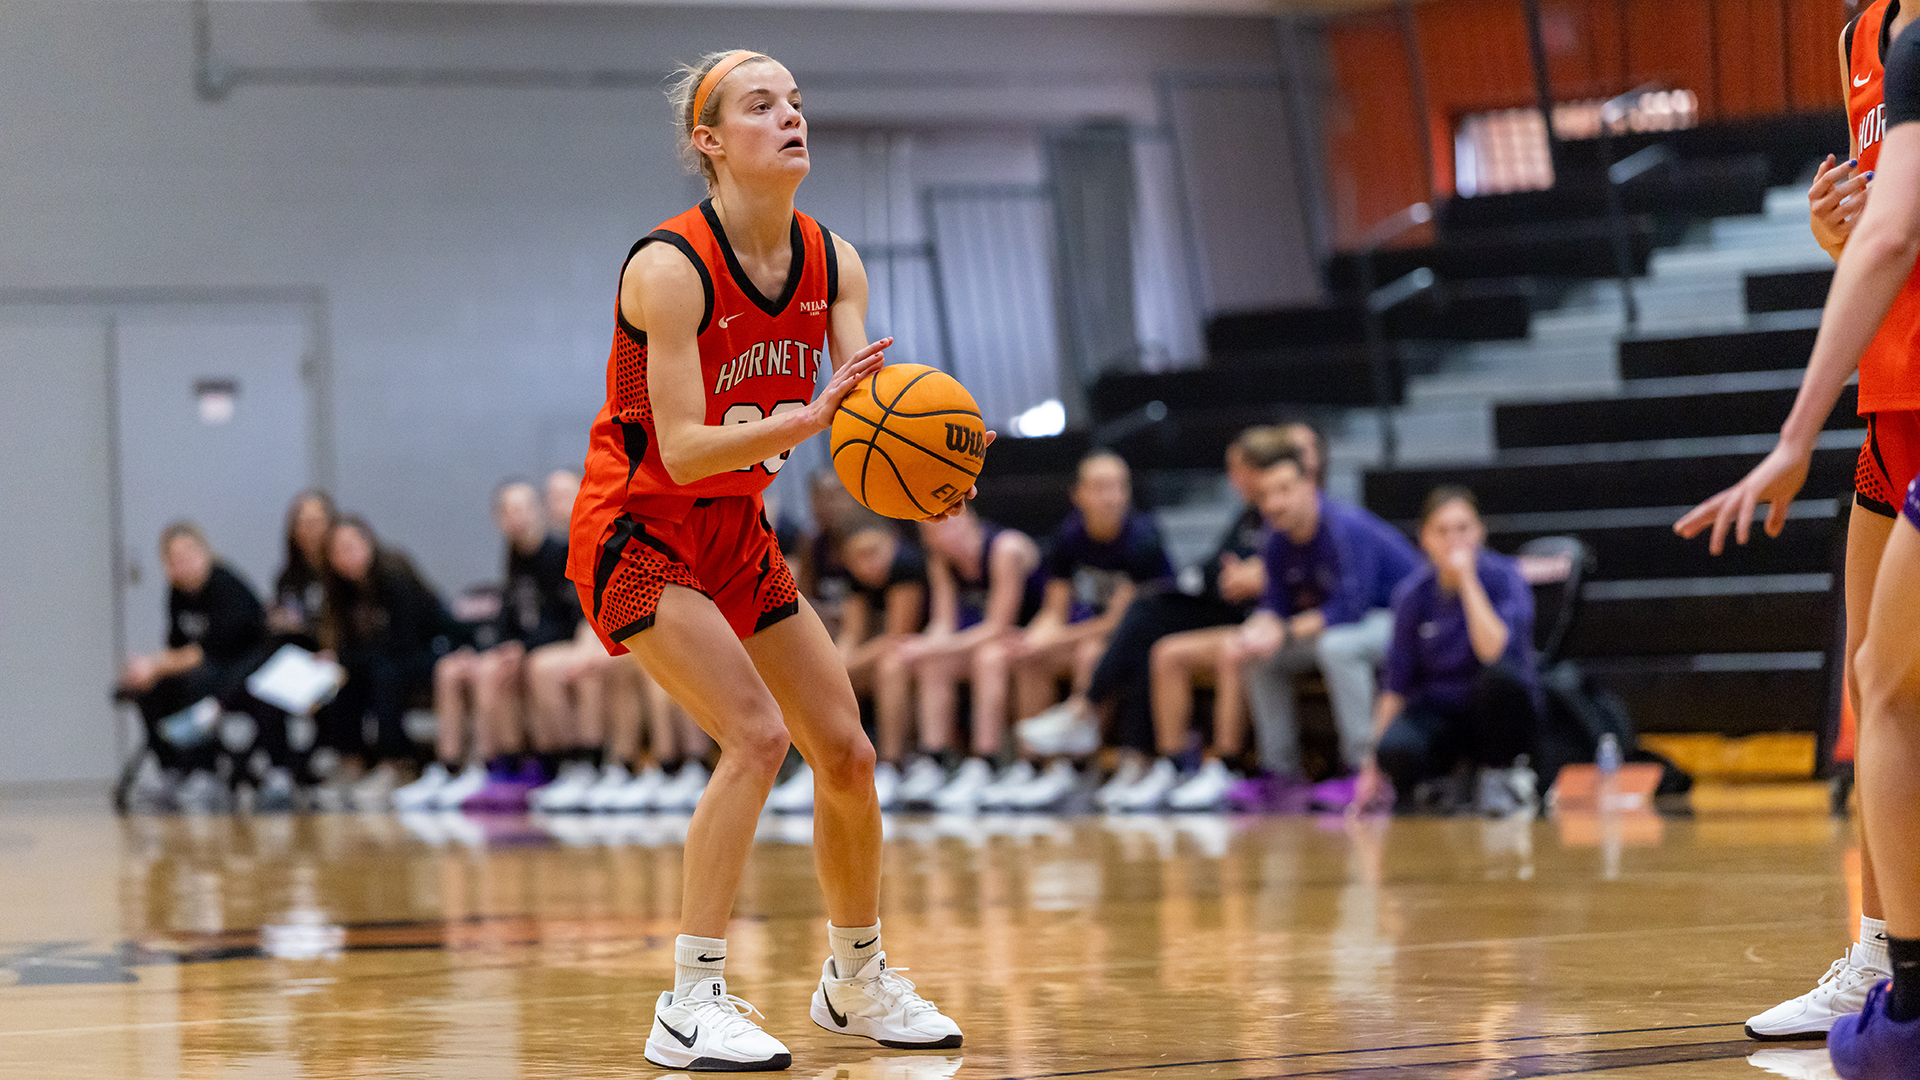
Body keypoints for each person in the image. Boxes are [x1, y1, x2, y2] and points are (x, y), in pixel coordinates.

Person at [565, 49, 964, 1069]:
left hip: (738, 530)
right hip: (639, 529)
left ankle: (857, 981)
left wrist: (934, 466)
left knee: (847, 751)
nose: (789, 117)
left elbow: (867, 418)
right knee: (753, 737)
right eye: (760, 106)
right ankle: (689, 998)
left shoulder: (836, 263)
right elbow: (688, 446)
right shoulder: (667, 268)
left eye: (794, 102)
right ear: (710, 140)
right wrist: (812, 414)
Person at [1674, 21, 1920, 1071]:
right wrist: (1840, 231)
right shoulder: (1866, 32)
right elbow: (1888, 218)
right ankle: (1882, 954)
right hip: (1894, 373)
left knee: (1891, 684)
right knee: (1876, 688)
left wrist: (1788, 436)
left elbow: (1900, 226)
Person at [1093, 424, 1308, 812]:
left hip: (1275, 622)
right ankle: (1170, 765)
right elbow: (1218, 568)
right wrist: (1236, 576)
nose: (1233, 478)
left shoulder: (1291, 512)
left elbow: (1297, 574)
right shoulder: (1248, 516)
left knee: (1218, 644)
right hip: (1247, 614)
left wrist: (1258, 576)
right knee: (1162, 648)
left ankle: (1223, 766)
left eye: (1237, 468)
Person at [1222, 445, 1420, 812]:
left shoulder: (1346, 528)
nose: (1274, 503)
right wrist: (1256, 632)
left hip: (1405, 621)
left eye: (1283, 490)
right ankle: (1280, 775)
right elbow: (1274, 605)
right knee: (1260, 656)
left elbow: (1350, 607)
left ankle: (1365, 772)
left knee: (1337, 646)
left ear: (1309, 486)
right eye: (1265, 494)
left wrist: (1282, 631)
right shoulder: (1276, 538)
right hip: (1342, 625)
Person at [998, 451, 1175, 810]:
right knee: (1031, 657)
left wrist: (1055, 637)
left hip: (1137, 637)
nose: (1111, 496)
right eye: (1099, 487)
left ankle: (1080, 766)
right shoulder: (1068, 537)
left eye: (1118, 487)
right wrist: (1035, 637)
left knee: (1090, 653)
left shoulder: (1144, 538)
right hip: (1089, 632)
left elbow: (1118, 623)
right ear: (1077, 494)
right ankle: (1036, 766)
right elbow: (1054, 609)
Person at [1350, 488, 1539, 816]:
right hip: (1443, 712)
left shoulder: (1505, 578)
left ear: (1480, 532)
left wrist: (1467, 580)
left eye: (1463, 529)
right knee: (1394, 749)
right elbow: (1395, 685)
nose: (1454, 540)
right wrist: (1371, 764)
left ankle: (1500, 776)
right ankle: (1445, 782)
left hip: (1498, 710)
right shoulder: (1412, 596)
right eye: (1442, 530)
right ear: (1424, 538)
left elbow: (1492, 651)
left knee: (1499, 681)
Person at [397, 482, 579, 812]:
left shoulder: (558, 552)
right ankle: (458, 766)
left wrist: (521, 648)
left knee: (505, 670)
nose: (517, 518)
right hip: (526, 647)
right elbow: (507, 616)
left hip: (555, 647)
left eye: (522, 508)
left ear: (538, 510)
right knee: (469, 667)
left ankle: (526, 765)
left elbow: (567, 618)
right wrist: (497, 647)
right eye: (508, 511)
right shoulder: (514, 556)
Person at [117, 523, 294, 812]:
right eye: (173, 559)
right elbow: (177, 646)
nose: (182, 564)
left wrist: (156, 664)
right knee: (152, 689)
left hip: (243, 673)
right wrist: (149, 669)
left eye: (188, 554)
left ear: (205, 553)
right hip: (212, 673)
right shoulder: (177, 593)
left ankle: (205, 770)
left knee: (198, 681)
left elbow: (207, 651)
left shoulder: (226, 586)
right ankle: (172, 769)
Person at [767, 511, 926, 813]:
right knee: (818, 676)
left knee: (889, 667)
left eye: (874, 552)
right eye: (858, 557)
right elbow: (853, 633)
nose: (869, 563)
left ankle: (892, 767)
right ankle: (816, 768)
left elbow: (896, 637)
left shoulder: (907, 566)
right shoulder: (857, 578)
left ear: (892, 543)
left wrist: (840, 667)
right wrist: (833, 663)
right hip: (883, 657)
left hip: (920, 657)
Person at [893, 504, 1043, 810]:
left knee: (987, 657)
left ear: (968, 521)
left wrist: (935, 646)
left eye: (941, 526)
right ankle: (933, 762)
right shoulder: (941, 561)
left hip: (1034, 635)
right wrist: (923, 646)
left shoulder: (1005, 549)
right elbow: (944, 624)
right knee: (933, 662)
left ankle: (984, 764)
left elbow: (1000, 627)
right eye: (929, 532)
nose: (935, 537)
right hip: (991, 641)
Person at [315, 516, 457, 808]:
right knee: (343, 681)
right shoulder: (342, 590)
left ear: (369, 544)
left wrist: (345, 659)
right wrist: (338, 661)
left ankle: (395, 764)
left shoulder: (394, 574)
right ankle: (351, 761)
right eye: (338, 551)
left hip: (429, 650)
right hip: (381, 658)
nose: (346, 557)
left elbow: (402, 642)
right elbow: (352, 645)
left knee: (385, 675)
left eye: (352, 547)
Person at [267, 489, 337, 648]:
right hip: (296, 652)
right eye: (303, 523)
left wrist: (303, 627)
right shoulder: (287, 577)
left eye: (316, 522)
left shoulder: (341, 574)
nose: (309, 531)